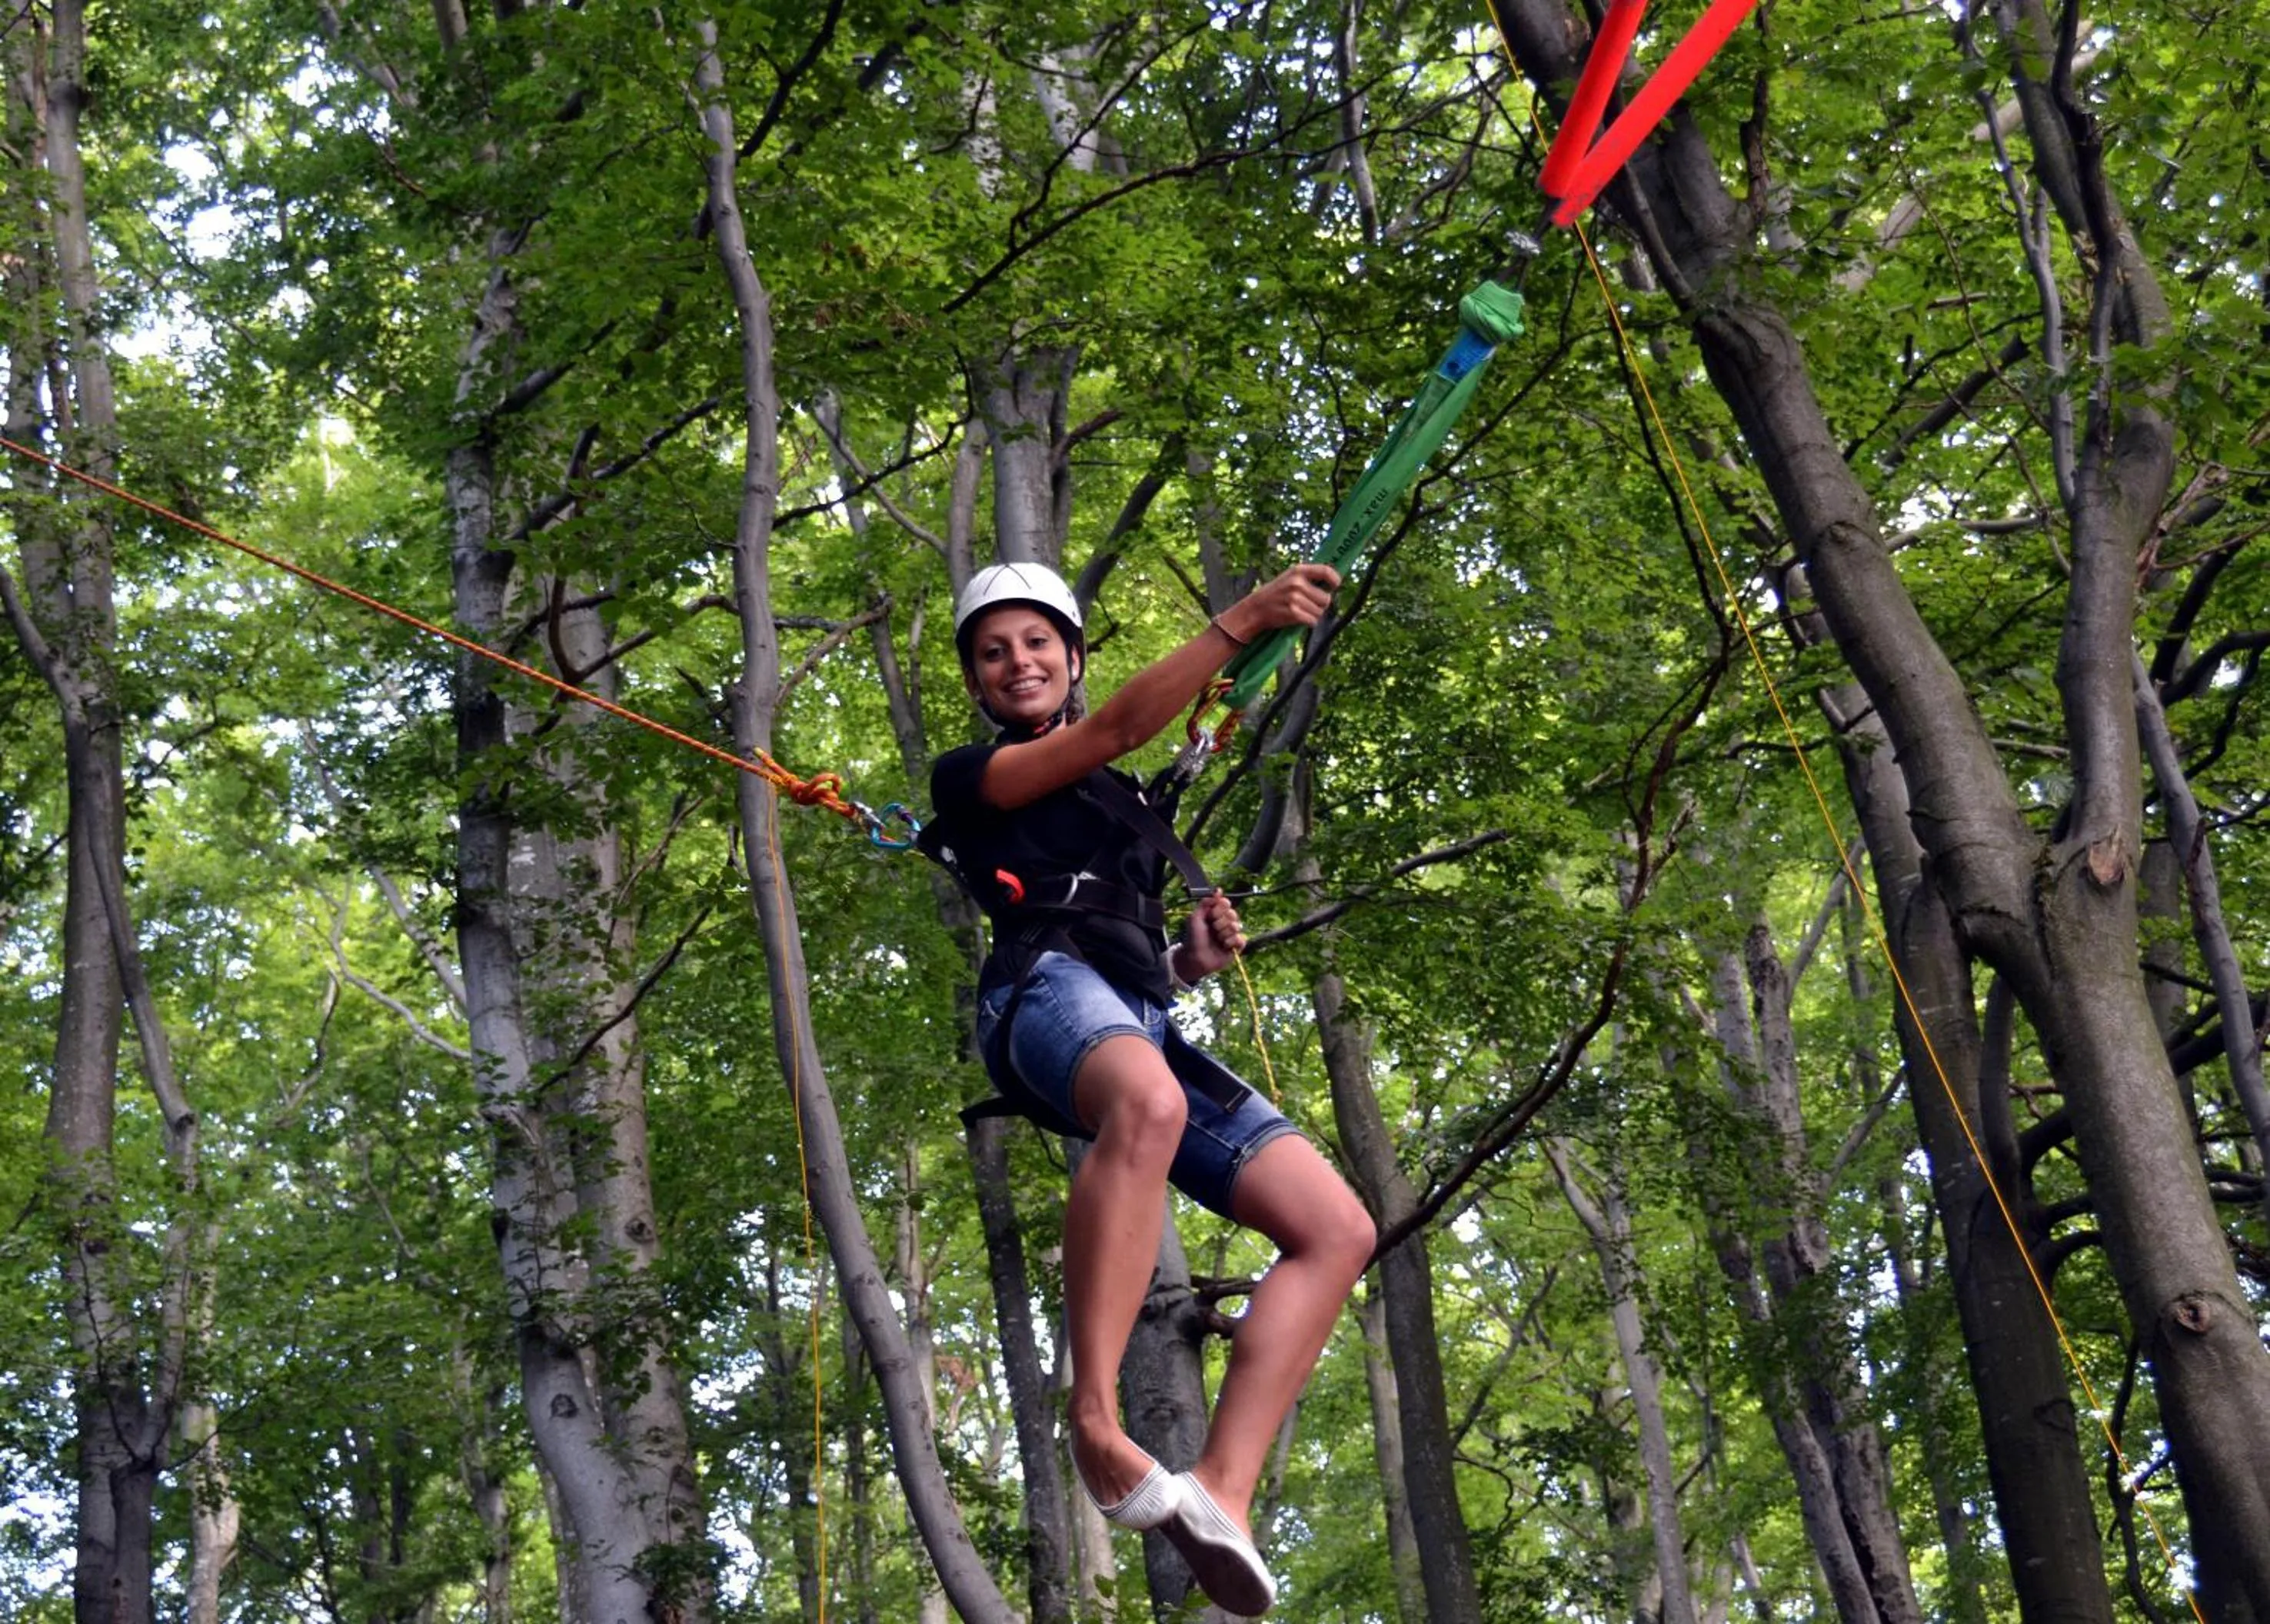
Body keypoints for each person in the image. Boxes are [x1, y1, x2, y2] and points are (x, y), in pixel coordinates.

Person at [927, 560, 1377, 1617]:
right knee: (1149, 1102)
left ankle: (1222, 1489)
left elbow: (1128, 974)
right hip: (1033, 997)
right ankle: (1093, 1418)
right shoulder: (973, 777)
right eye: (994, 654)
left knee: (1337, 1228)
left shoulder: (1117, 805)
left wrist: (1186, 964)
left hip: (1133, 1018)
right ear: (979, 689)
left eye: (1037, 644)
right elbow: (1119, 728)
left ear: (1072, 659)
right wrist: (1242, 621)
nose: (1017, 662)